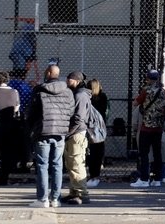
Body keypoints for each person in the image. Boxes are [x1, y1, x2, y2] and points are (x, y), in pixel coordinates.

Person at [27, 64, 75, 208]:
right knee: (57, 165)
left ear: (48, 73)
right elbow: (71, 111)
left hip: (43, 131)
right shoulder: (67, 92)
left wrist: (31, 129)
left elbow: (32, 112)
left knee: (42, 165)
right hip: (60, 132)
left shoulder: (40, 90)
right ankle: (55, 198)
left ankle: (42, 199)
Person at [132, 69, 165, 187]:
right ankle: (157, 179)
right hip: (158, 127)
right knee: (158, 153)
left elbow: (136, 103)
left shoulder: (146, 91)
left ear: (148, 78)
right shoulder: (164, 92)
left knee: (144, 153)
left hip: (146, 127)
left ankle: (144, 179)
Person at [61, 71, 92, 205]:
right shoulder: (80, 94)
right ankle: (74, 191)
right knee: (72, 163)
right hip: (75, 133)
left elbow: (79, 118)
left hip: (76, 133)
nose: (68, 82)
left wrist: (69, 132)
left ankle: (82, 193)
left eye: (70, 80)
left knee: (76, 162)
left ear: (77, 81)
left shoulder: (80, 95)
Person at [0, 71, 21, 187]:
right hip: (10, 126)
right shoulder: (14, 92)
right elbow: (17, 108)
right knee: (6, 154)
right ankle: (3, 178)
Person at [86, 79, 108, 188]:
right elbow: (105, 112)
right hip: (100, 127)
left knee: (91, 152)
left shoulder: (88, 98)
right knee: (98, 152)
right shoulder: (103, 97)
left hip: (90, 127)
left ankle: (93, 175)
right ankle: (96, 175)